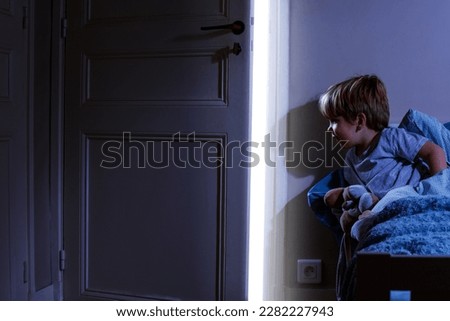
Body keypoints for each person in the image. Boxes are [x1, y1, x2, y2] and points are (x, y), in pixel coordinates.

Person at [318, 74, 447, 232]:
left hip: (417, 190)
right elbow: (361, 194)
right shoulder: (351, 159)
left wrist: (436, 189)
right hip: (388, 204)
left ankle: (370, 221)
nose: (329, 128)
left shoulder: (390, 138)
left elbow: (435, 152)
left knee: (394, 198)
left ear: (359, 121)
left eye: (335, 121)